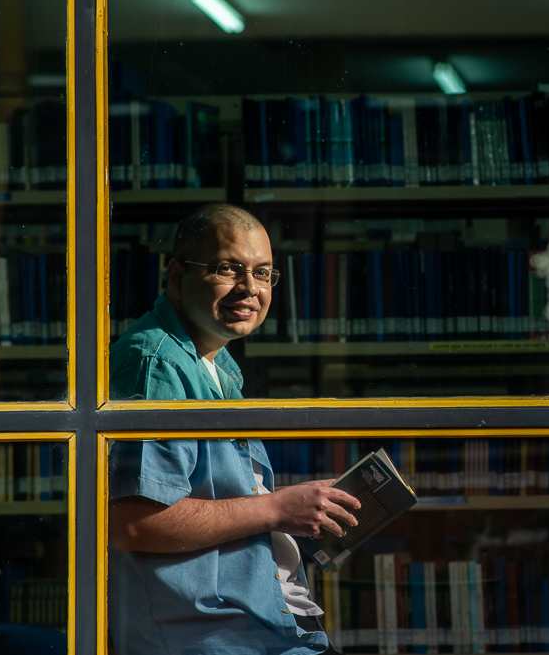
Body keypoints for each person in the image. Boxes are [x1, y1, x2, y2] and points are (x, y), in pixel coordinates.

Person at [107, 203, 361, 655]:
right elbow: (137, 524)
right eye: (228, 269)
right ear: (177, 277)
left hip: (260, 627)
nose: (250, 288)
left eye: (263, 273)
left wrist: (303, 512)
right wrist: (277, 509)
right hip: (212, 637)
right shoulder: (158, 365)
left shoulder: (218, 365)